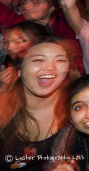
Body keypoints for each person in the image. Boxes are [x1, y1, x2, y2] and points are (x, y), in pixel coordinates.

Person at [0, 37, 80, 170]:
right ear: (19, 69)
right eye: (39, 60)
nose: (50, 67)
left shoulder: (79, 111)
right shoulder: (4, 110)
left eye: (60, 60)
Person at [0, 22, 48, 92]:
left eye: (20, 41)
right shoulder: (8, 66)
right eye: (6, 42)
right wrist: (4, 86)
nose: (10, 47)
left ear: (39, 42)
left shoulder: (45, 71)